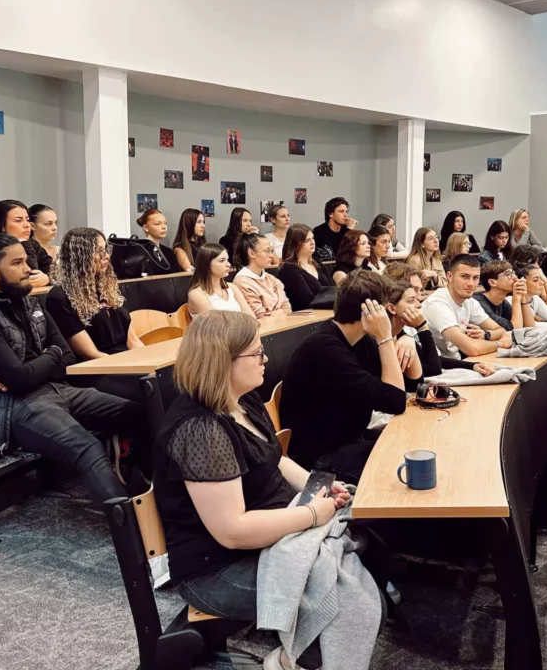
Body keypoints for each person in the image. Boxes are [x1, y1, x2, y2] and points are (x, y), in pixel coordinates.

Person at [152, 311, 386, 670]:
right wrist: (310, 515)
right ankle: (293, 661)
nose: (265, 360)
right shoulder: (200, 430)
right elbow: (232, 532)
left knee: (360, 549)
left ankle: (306, 657)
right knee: (336, 594)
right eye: (257, 354)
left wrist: (319, 484)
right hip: (214, 569)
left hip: (262, 539)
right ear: (223, 362)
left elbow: (275, 459)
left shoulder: (242, 400)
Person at [0, 232, 149, 506]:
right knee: (88, 448)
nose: (29, 269)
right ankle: (132, 530)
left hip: (54, 390)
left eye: (26, 261)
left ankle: (155, 495)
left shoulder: (29, 303)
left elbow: (66, 357)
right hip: (11, 407)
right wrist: (47, 357)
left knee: (140, 413)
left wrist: (37, 365)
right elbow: (23, 378)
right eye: (18, 263)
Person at [280, 271, 410, 483]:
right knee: (405, 475)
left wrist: (408, 341)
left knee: (414, 447)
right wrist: (386, 338)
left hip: (350, 441)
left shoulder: (360, 339)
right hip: (321, 458)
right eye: (385, 309)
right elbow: (395, 401)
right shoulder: (324, 348)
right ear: (370, 312)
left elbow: (409, 385)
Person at [46, 228, 145, 400]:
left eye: (106, 250)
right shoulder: (59, 297)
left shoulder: (107, 288)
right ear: (80, 257)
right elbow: (90, 354)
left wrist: (148, 361)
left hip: (124, 363)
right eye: (99, 252)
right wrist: (130, 366)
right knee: (145, 392)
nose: (106, 256)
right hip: (96, 370)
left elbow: (132, 340)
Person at [384, 266, 496, 375]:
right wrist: (422, 328)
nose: (420, 298)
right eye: (413, 293)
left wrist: (472, 366)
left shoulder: (405, 329)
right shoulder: (390, 332)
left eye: (419, 291)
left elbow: (436, 360)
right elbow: (432, 369)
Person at [422, 254, 511, 360]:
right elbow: (472, 349)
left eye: (475, 278)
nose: (471, 284)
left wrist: (486, 334)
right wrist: (502, 344)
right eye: (465, 277)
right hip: (439, 367)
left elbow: (501, 330)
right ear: (450, 276)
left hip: (456, 361)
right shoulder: (437, 304)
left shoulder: (470, 302)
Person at [233, 234, 291, 318]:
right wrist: (281, 312)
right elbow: (260, 315)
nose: (271, 255)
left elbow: (287, 308)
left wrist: (280, 312)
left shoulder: (271, 278)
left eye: (271, 251)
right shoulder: (242, 281)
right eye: (267, 251)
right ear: (252, 253)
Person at [278, 224, 334, 311]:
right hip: (305, 314)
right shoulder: (288, 269)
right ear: (296, 244)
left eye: (313, 238)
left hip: (326, 311)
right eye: (307, 240)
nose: (312, 242)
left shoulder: (318, 264)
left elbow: (333, 290)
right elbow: (307, 300)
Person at [187, 243, 251, 317]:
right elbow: (216, 324)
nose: (229, 264)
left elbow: (251, 318)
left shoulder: (232, 287)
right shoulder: (196, 294)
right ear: (206, 264)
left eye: (227, 260)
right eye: (222, 261)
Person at [473, 260, 533, 331]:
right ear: (492, 282)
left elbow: (530, 326)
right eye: (508, 274)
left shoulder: (503, 302)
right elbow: (515, 330)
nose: (515, 277)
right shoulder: (478, 302)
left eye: (513, 273)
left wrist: (523, 298)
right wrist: (516, 299)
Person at [136, 208, 177, 276]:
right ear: (146, 227)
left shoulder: (168, 252)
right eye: (158, 224)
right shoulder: (139, 252)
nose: (164, 227)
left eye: (165, 223)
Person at [172, 208, 207, 272]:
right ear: (189, 223)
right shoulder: (180, 249)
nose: (203, 226)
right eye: (199, 222)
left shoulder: (203, 245)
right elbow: (190, 270)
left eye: (203, 222)